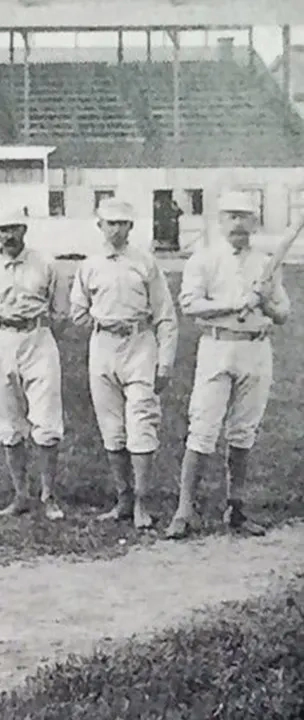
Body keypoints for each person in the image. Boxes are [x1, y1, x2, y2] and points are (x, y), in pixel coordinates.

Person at [164, 190, 291, 540]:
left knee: (243, 431)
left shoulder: (266, 262)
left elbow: (283, 314)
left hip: (256, 349)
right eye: (231, 216)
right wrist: (234, 303)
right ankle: (184, 511)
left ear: (254, 222)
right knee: (203, 428)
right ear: (220, 221)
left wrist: (263, 302)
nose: (238, 223)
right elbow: (190, 305)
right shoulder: (203, 260)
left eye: (244, 217)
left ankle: (236, 509)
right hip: (218, 346)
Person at [68, 199, 178, 530]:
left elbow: (166, 316)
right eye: (110, 223)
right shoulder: (88, 266)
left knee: (141, 422)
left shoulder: (145, 263)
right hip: (103, 346)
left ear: (131, 227)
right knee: (112, 427)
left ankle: (143, 502)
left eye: (123, 223)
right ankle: (124, 499)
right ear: (99, 226)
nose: (116, 229)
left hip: (140, 344)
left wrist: (165, 364)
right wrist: (103, 321)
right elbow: (77, 312)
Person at [0, 210, 68, 520]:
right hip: (1, 340)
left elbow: (60, 311)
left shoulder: (46, 264)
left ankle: (49, 495)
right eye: (2, 230)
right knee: (8, 419)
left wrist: (39, 330)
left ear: (24, 228)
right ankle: (21, 494)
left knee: (46, 419)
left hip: (38, 338)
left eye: (13, 229)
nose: (8, 236)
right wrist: (2, 330)